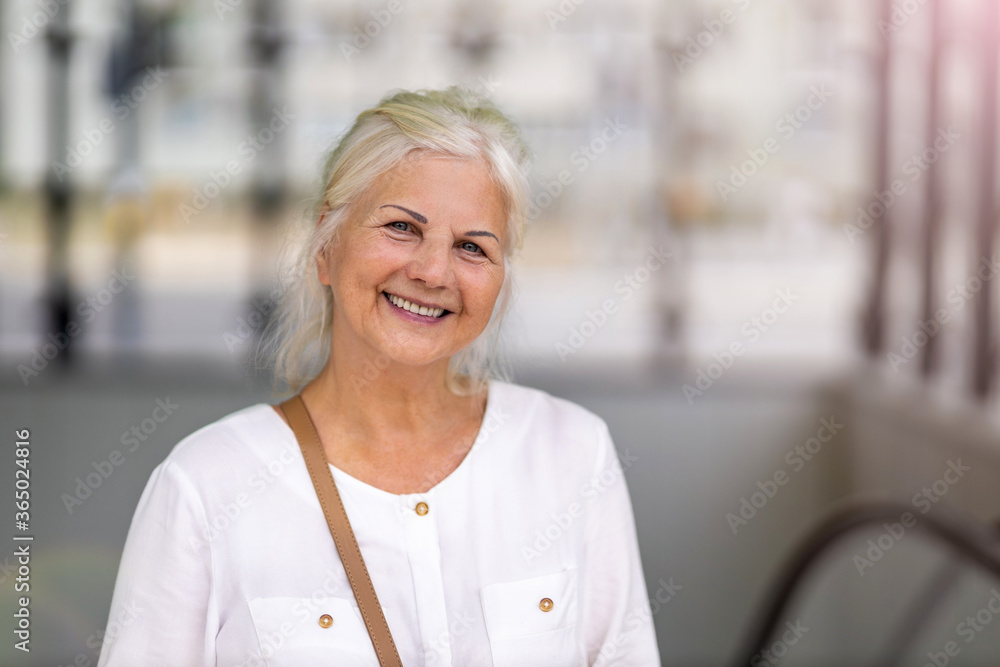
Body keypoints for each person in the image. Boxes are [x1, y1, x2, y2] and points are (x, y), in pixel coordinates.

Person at [97, 86, 660, 666]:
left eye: (472, 246)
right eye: (400, 227)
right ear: (326, 247)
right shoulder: (205, 486)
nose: (433, 271)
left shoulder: (572, 453)